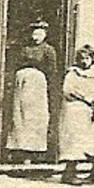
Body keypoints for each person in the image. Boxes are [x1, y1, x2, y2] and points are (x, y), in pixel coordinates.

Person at [6, 20, 57, 164]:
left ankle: (34, 151)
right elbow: (15, 64)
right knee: (20, 114)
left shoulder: (48, 50)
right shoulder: (24, 49)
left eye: (39, 33)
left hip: (38, 84)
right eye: (34, 33)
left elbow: (51, 71)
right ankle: (18, 149)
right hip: (21, 83)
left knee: (35, 117)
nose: (36, 37)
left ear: (45, 35)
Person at [58, 46, 94, 185]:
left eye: (87, 58)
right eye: (82, 59)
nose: (84, 62)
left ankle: (89, 173)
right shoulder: (72, 73)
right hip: (73, 109)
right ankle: (69, 173)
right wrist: (83, 98)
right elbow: (67, 91)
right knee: (73, 140)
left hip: (87, 111)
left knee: (84, 140)